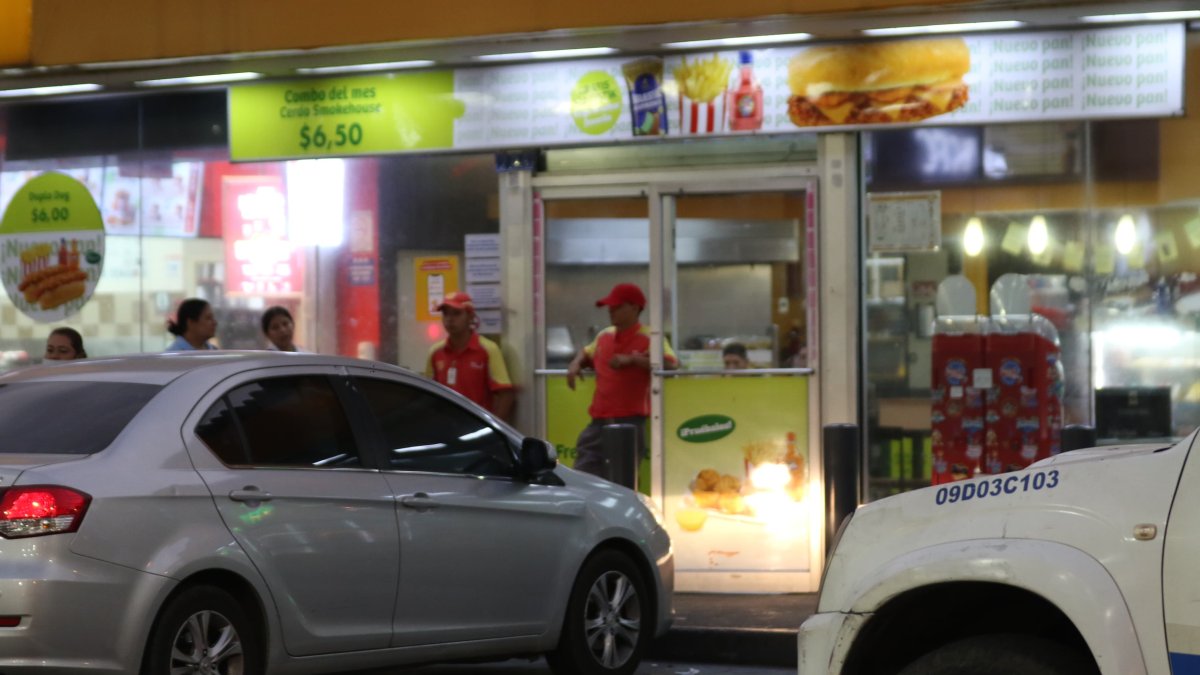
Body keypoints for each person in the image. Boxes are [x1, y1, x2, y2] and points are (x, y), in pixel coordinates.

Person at [566, 282, 678, 480]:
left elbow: (671, 365)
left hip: (630, 423)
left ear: (635, 308)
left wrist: (633, 360)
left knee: (623, 481)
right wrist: (575, 363)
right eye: (610, 306)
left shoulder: (651, 337)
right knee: (583, 479)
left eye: (617, 306)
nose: (611, 310)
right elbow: (586, 352)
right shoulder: (604, 335)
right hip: (597, 422)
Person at [424, 291, 515, 422]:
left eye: (456, 313)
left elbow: (506, 395)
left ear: (470, 316)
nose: (449, 319)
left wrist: (492, 427)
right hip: (445, 427)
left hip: (477, 427)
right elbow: (428, 392)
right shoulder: (436, 352)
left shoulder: (487, 349)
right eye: (446, 314)